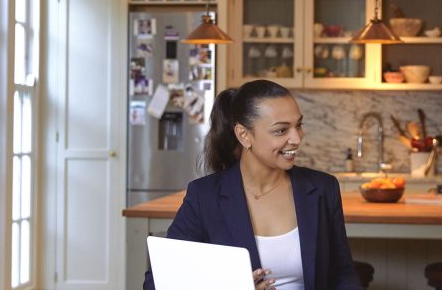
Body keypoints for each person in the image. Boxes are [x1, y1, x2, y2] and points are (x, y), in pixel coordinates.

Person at [143, 80, 362, 290]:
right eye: (281, 130)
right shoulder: (205, 196)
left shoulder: (323, 188)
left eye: (298, 125)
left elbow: (342, 274)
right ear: (244, 135)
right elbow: (157, 282)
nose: (296, 138)